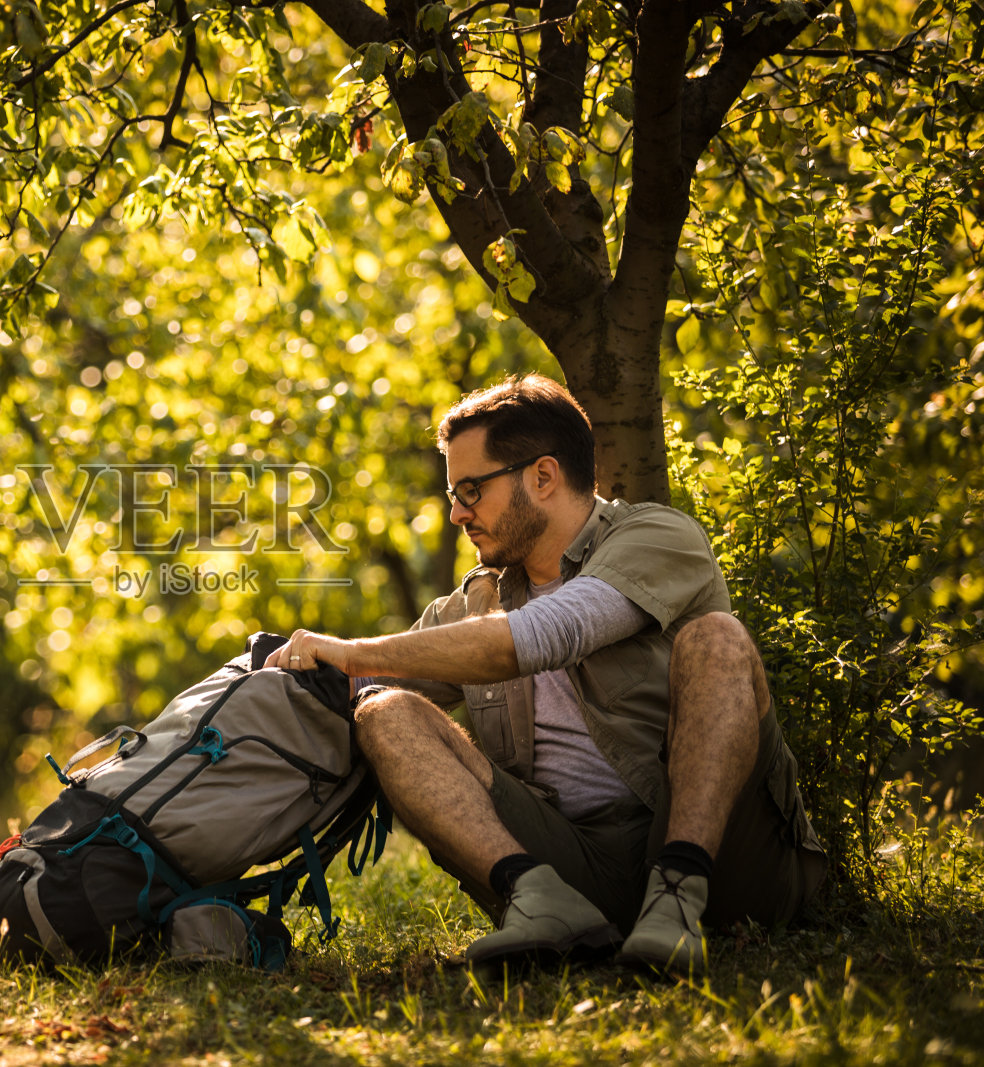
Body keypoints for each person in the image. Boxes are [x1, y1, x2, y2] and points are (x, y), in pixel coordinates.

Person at [264, 374, 826, 975]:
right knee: (382, 710)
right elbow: (348, 687)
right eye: (454, 493)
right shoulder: (475, 604)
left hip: (728, 863)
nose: (456, 513)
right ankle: (540, 902)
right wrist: (275, 677)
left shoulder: (659, 537)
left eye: (471, 490)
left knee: (718, 637)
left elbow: (544, 635)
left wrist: (353, 653)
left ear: (543, 476)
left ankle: (675, 899)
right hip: (581, 866)